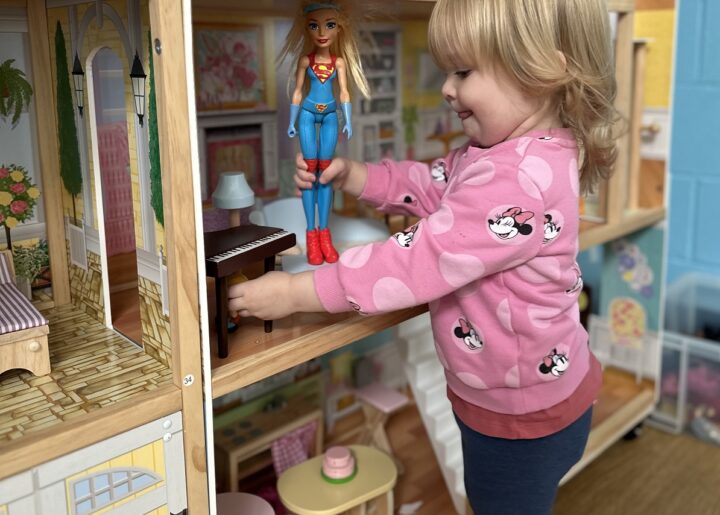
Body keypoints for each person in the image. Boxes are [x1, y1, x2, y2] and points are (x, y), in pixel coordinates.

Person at [231, 0, 617, 512]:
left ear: (545, 67)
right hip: (531, 397)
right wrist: (354, 174)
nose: (447, 89)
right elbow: (435, 184)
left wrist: (297, 291)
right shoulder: (517, 153)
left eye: (463, 71)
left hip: (519, 418)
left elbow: (418, 258)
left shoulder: (514, 176)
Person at [279, 0, 370, 265]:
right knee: (310, 173)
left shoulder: (339, 62)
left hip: (331, 115)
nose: (322, 32)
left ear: (339, 28)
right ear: (306, 29)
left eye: (329, 25)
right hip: (307, 114)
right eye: (314, 25)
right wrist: (293, 120)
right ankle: (311, 235)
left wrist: (348, 120)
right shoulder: (304, 61)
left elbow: (344, 92)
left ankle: (324, 235)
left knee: (325, 174)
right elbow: (297, 91)